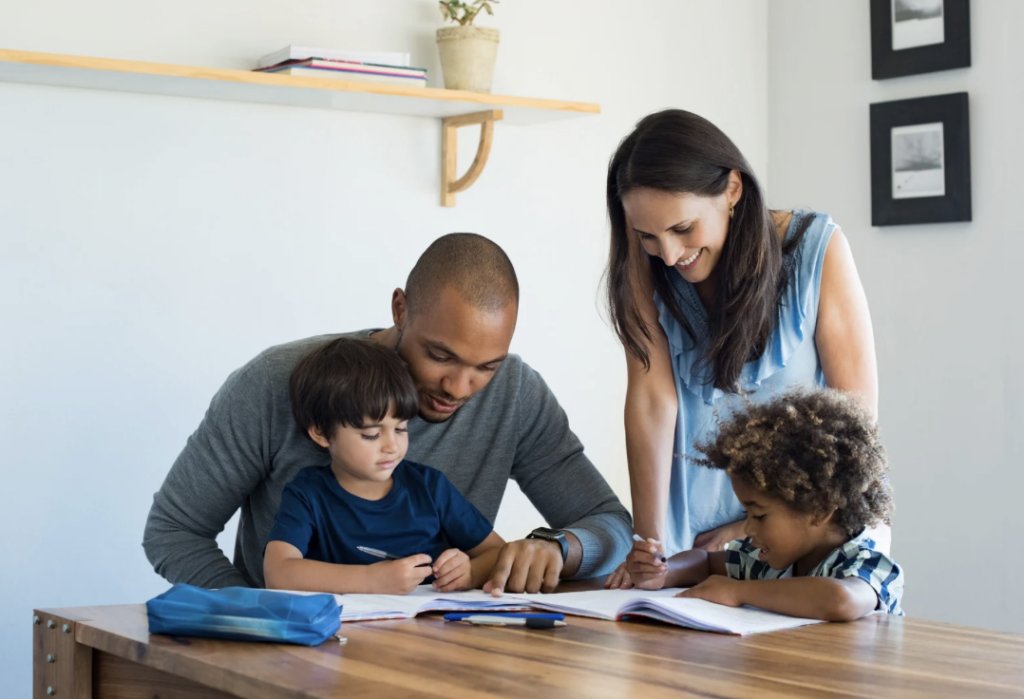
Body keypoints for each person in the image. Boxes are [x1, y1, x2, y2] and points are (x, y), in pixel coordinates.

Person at [144, 233, 632, 594]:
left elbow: (610, 524)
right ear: (400, 308)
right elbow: (174, 531)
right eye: (440, 356)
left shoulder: (515, 393)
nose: (459, 388)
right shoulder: (276, 383)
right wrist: (259, 616)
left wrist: (559, 548)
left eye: (486, 366)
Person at [603, 109, 884, 589]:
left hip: (802, 540)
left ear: (732, 189)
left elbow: (853, 424)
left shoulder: (818, 249)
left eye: (683, 229)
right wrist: (649, 547)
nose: (669, 255)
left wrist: (752, 528)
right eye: (647, 236)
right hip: (687, 547)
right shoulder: (645, 266)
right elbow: (652, 401)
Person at [626, 387, 904, 620]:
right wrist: (663, 573)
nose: (748, 529)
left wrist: (737, 592)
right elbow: (705, 563)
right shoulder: (768, 560)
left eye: (759, 516)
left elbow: (840, 600)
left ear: (820, 508)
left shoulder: (866, 562)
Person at [263, 338, 505, 595]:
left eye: (401, 428)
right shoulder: (307, 494)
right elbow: (278, 573)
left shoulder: (429, 487)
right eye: (371, 434)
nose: (392, 446)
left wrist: (470, 573)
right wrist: (371, 580)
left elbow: (498, 551)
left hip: (429, 629)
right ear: (322, 433)